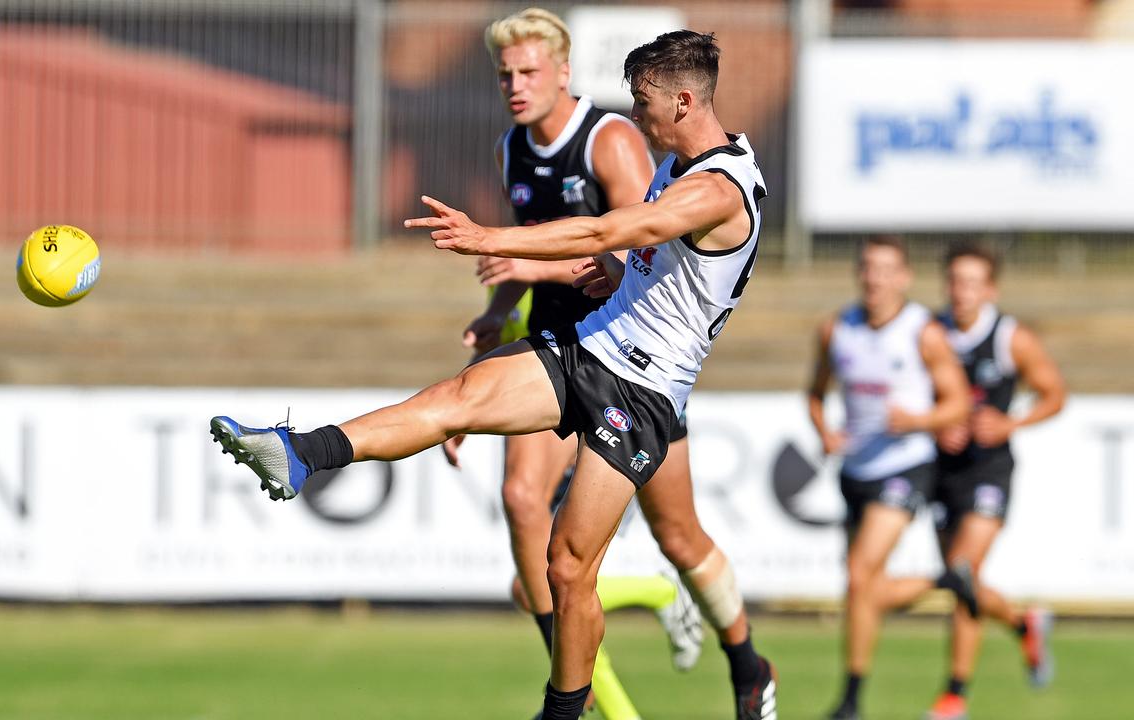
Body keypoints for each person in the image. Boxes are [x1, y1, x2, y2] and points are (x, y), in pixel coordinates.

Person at [210, 29, 776, 720]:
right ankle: (299, 454)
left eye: (644, 102)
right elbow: (640, 258)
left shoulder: (718, 189)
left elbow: (606, 230)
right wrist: (617, 276)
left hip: (645, 394)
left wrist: (491, 239)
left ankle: (569, 711)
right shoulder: (677, 163)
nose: (635, 115)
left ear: (685, 101)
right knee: (456, 398)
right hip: (587, 346)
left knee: (569, 567)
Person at [439, 10, 775, 718]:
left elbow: (623, 246)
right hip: (565, 355)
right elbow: (534, 259)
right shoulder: (512, 150)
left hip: (641, 365)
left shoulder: (616, 143)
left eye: (527, 71)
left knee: (675, 537)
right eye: (505, 74)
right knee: (531, 521)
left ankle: (745, 662)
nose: (514, 85)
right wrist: (500, 312)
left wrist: (522, 254)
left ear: (563, 72)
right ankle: (588, 704)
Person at [874, 242, 1065, 720]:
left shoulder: (1009, 337)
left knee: (962, 571)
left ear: (991, 290)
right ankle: (1024, 623)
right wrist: (937, 420)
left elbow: (1053, 393)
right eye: (956, 281)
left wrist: (1010, 423)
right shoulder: (929, 332)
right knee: (963, 584)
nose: (962, 292)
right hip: (942, 470)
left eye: (973, 283)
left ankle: (954, 695)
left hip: (989, 471)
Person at [807, 235, 974, 720]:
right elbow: (815, 393)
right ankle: (944, 578)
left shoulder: (922, 332)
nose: (874, 278)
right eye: (867, 268)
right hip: (855, 470)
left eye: (885, 270)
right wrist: (824, 431)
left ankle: (850, 702)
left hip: (906, 465)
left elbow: (959, 402)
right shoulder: (837, 329)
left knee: (860, 577)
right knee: (861, 587)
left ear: (903, 278)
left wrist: (918, 422)